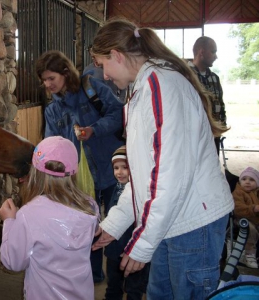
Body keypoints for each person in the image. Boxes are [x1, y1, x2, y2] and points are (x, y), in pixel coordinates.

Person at [90, 18, 234, 299]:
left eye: (102, 64)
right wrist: (115, 224)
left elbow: (169, 175)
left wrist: (142, 244)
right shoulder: (142, 89)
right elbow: (145, 175)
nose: (104, 75)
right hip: (170, 218)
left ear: (116, 55)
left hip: (192, 222)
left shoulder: (160, 86)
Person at [35, 50, 124, 283]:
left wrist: (95, 129)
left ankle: (121, 274)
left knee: (119, 223)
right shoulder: (52, 111)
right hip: (80, 181)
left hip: (113, 171)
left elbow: (119, 114)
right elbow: (51, 146)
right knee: (88, 227)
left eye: (51, 78)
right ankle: (93, 275)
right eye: (44, 80)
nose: (47, 84)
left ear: (65, 73)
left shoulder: (92, 89)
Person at [0, 136, 99, 300]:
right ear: (75, 169)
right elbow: (93, 231)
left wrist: (9, 221)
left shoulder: (28, 215)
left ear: (35, 172)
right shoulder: (90, 206)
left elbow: (13, 262)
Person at [105, 145, 150, 300]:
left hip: (133, 247)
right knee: (113, 282)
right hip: (114, 249)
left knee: (134, 286)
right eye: (116, 168)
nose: (120, 172)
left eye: (125, 167)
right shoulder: (114, 188)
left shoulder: (141, 191)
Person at [188, 36, 226, 155]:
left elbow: (220, 105)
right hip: (192, 137)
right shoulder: (185, 77)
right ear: (202, 52)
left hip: (213, 136)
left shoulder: (214, 78)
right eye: (213, 51)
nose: (216, 56)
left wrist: (221, 127)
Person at [232, 167, 259, 269]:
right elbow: (238, 209)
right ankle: (249, 254)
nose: (247, 182)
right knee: (250, 229)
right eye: (244, 179)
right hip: (242, 220)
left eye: (251, 180)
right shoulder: (238, 193)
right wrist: (254, 208)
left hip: (256, 220)